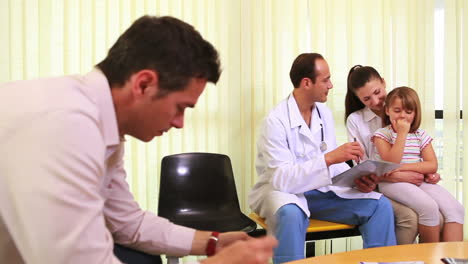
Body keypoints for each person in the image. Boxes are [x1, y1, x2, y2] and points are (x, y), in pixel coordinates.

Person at [0, 15, 277, 264]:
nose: (179, 123)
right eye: (180, 107)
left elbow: (127, 223)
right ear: (143, 84)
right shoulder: (67, 125)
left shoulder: (101, 124)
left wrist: (212, 242)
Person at [248, 53, 396, 264]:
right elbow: (282, 180)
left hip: (320, 191)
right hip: (282, 193)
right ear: (307, 83)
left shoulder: (323, 114)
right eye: (326, 80)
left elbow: (332, 169)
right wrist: (329, 158)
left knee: (379, 206)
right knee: (290, 214)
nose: (331, 85)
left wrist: (355, 180)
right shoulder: (275, 121)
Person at [345, 65, 444, 244]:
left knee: (440, 215)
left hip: (409, 182)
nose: (376, 101)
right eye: (367, 98)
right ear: (358, 98)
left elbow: (415, 150)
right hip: (379, 184)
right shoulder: (356, 120)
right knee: (410, 219)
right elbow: (364, 166)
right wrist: (398, 176)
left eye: (378, 92)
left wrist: (429, 172)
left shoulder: (402, 107)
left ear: (384, 82)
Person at [372, 86, 464, 243]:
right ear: (387, 111)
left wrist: (403, 168)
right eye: (397, 110)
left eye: (408, 112)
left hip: (417, 180)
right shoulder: (382, 135)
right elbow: (390, 163)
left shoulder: (420, 135)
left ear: (415, 114)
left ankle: (453, 259)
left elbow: (431, 165)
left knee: (456, 209)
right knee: (429, 208)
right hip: (392, 183)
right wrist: (401, 134)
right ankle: (429, 258)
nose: (403, 116)